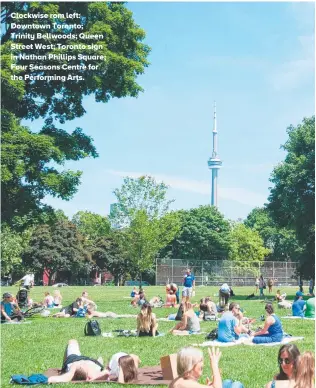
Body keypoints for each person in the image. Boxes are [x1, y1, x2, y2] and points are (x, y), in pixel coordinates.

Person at [169, 346, 244, 388]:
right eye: (200, 361)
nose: (203, 364)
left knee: (227, 382)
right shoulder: (184, 384)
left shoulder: (178, 380)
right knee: (237, 385)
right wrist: (214, 365)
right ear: (190, 366)